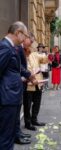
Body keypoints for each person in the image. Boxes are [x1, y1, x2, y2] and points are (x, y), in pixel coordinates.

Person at [0, 21, 28, 149]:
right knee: (6, 137)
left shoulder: (10, 47)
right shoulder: (5, 47)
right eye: (25, 36)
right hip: (7, 98)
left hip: (12, 97)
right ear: (18, 33)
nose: (25, 39)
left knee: (9, 134)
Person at [14, 32, 37, 145]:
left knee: (18, 110)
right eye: (31, 41)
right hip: (16, 84)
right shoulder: (17, 48)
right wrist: (27, 76)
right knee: (15, 111)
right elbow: (18, 67)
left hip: (21, 83)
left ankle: (18, 133)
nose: (31, 44)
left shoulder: (22, 48)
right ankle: (16, 135)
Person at [23, 42, 48, 131]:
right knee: (27, 105)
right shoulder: (21, 57)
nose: (30, 49)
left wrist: (48, 56)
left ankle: (34, 119)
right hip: (28, 84)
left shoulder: (34, 54)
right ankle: (28, 123)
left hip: (38, 82)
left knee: (37, 102)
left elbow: (44, 60)